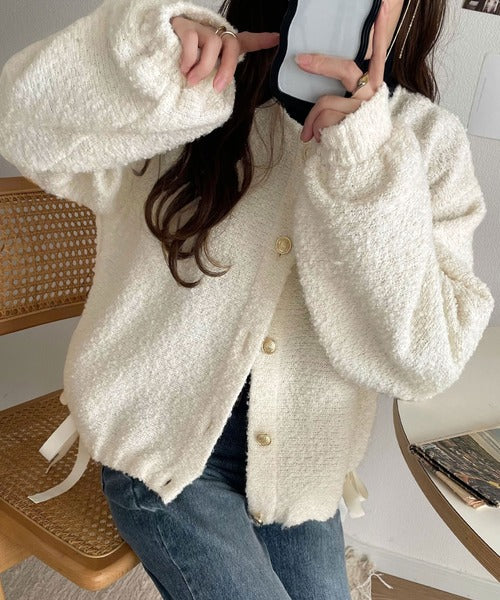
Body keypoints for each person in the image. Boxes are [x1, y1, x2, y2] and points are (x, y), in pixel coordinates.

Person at [0, 0, 494, 598]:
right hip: (158, 447)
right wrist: (141, 58)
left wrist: (365, 164)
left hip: (298, 474)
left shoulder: (428, 143)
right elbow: (23, 127)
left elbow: (425, 362)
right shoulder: (188, 90)